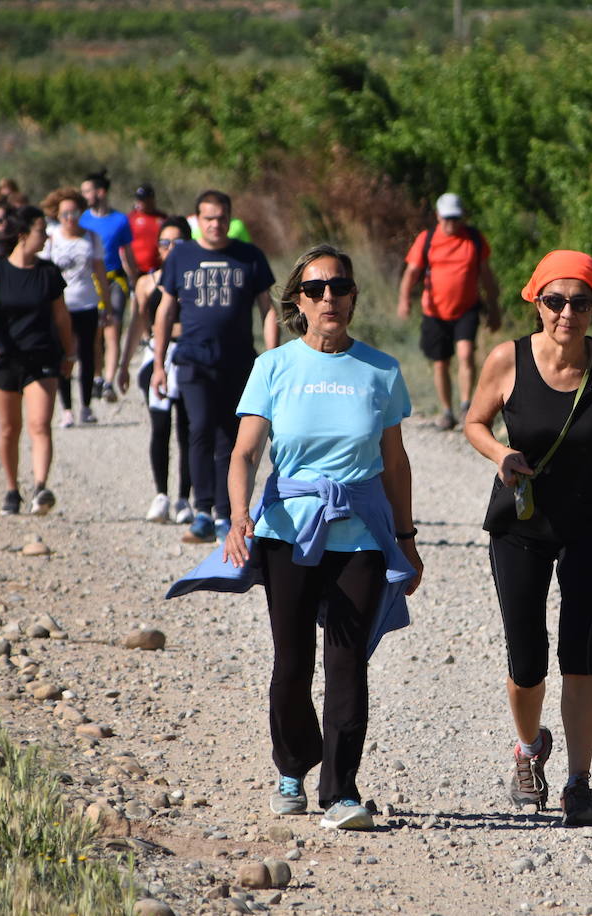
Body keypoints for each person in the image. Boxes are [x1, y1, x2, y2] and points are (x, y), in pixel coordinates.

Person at [221, 243, 422, 830]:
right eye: (315, 290)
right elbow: (245, 452)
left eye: (338, 287)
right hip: (288, 532)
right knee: (291, 664)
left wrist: (405, 538)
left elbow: (396, 463)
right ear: (298, 303)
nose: (328, 297)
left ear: (354, 297)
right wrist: (239, 517)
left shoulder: (381, 370)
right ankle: (292, 764)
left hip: (359, 534)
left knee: (348, 664)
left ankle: (340, 791)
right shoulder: (275, 366)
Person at [464, 249, 592, 827]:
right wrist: (502, 452)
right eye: (555, 300)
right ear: (536, 301)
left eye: (581, 301)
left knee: (580, 651)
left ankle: (579, 784)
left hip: (590, 520)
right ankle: (527, 749)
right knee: (526, 655)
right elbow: (474, 422)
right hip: (522, 523)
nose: (567, 312)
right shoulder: (507, 359)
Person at [151, 189, 279, 543]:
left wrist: (273, 361)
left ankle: (226, 514)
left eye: (221, 218)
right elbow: (165, 310)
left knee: (230, 436)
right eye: (208, 218)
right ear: (197, 221)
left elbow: (267, 309)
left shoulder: (249, 256)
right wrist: (159, 363)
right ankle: (202, 510)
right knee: (200, 429)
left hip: (238, 361)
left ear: (230, 218)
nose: (215, 225)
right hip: (193, 358)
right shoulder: (181, 256)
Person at [0, 205, 75, 516]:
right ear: (23, 235)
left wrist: (70, 353)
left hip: (42, 356)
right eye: (41, 231)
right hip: (5, 358)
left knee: (40, 424)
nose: (46, 236)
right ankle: (11, 489)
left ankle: (40, 487)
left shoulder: (49, 273)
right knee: (9, 428)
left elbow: (62, 319)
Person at [398, 193, 502, 430]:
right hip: (434, 311)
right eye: (447, 218)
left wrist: (494, 308)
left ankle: (466, 406)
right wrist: (404, 300)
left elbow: (487, 276)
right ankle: (447, 411)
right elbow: (411, 272)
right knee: (440, 362)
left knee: (465, 354)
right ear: (438, 216)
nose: (451, 223)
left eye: (456, 218)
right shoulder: (427, 240)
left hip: (467, 308)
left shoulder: (474, 240)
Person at [124, 215, 193, 524]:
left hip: (190, 356)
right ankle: (161, 495)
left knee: (189, 430)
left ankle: (185, 499)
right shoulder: (146, 282)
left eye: (177, 242)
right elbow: (138, 323)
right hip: (156, 358)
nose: (169, 248)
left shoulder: (194, 280)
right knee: (161, 427)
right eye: (164, 242)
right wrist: (123, 365)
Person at [39, 187, 109, 427]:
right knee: (63, 355)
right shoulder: (50, 237)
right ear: (57, 215)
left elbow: (100, 271)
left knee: (88, 355)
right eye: (65, 214)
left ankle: (86, 406)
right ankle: (66, 408)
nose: (70, 218)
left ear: (81, 213)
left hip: (87, 303)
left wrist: (106, 304)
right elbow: (43, 272)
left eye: (74, 213)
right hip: (60, 306)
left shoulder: (91, 237)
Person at [79, 170, 137, 402]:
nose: (85, 195)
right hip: (91, 282)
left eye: (87, 191)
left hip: (114, 281)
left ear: (100, 192)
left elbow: (128, 253)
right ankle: (97, 377)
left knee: (113, 330)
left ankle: (109, 383)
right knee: (96, 333)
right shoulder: (83, 219)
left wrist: (134, 280)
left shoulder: (120, 220)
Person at [128, 183, 166, 277]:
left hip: (158, 269)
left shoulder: (162, 218)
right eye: (139, 200)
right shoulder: (131, 218)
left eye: (143, 200)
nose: (140, 203)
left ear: (151, 199)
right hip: (137, 270)